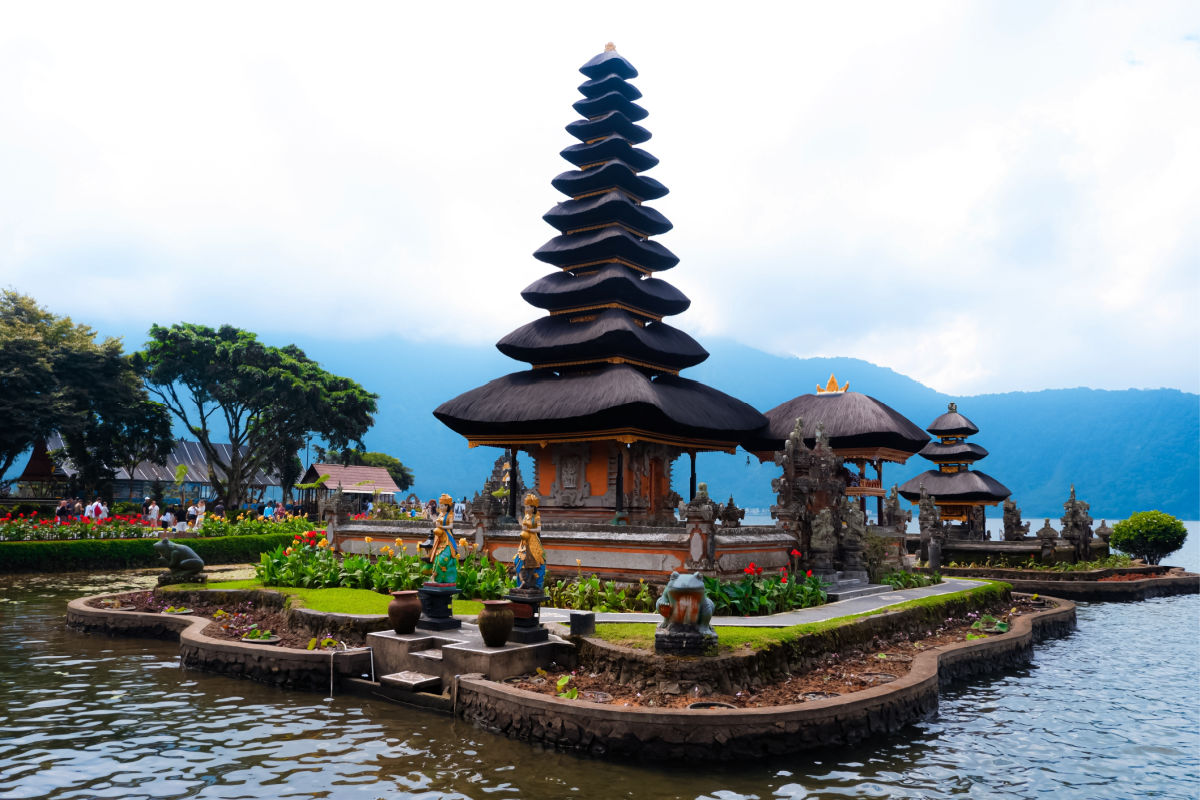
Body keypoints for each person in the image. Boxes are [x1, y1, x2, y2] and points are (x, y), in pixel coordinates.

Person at [514, 493, 546, 590]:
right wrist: (523, 527)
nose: (526, 509)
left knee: (534, 562)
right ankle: (523, 582)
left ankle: (533, 584)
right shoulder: (525, 517)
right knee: (519, 560)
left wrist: (529, 530)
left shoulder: (536, 517)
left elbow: (539, 529)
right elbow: (524, 527)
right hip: (524, 541)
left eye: (528, 507)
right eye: (526, 507)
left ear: (533, 508)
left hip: (533, 541)